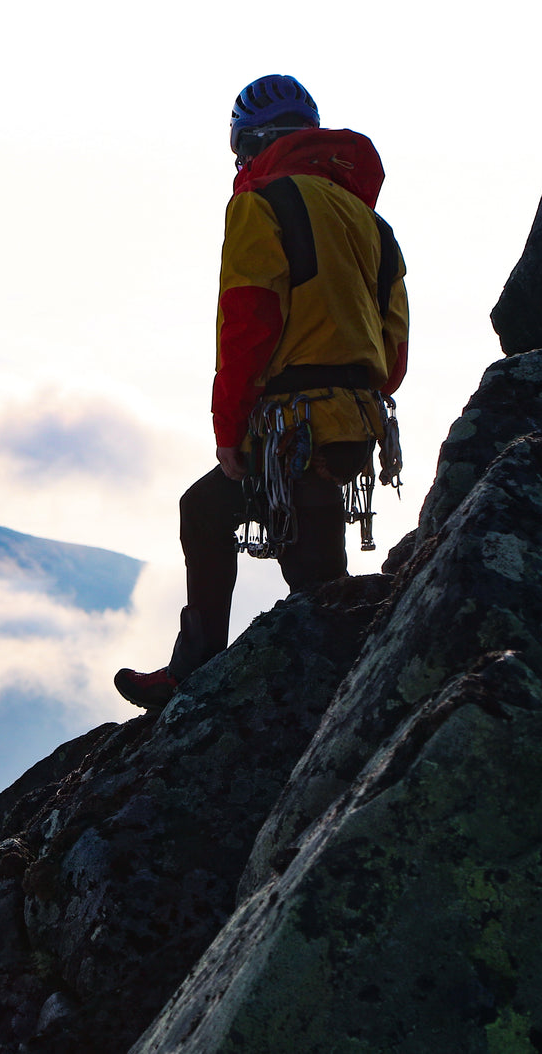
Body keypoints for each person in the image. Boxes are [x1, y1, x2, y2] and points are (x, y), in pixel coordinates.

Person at [115, 74, 409, 711]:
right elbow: (395, 354)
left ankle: (205, 679)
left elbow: (248, 321)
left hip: (291, 426)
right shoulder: (372, 224)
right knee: (232, 520)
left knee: (300, 576)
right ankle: (203, 671)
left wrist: (232, 430)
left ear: (250, 144)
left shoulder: (262, 204)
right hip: (357, 424)